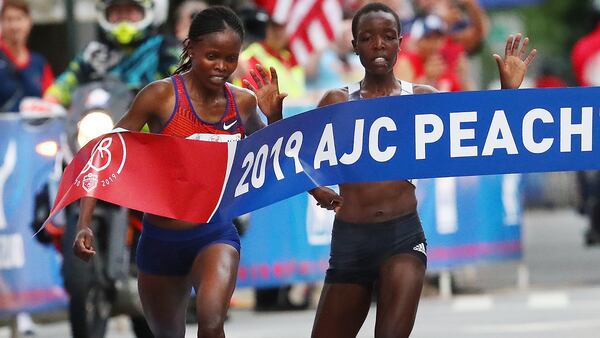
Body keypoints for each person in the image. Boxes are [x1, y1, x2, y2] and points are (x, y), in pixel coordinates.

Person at [308, 3, 536, 337]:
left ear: (401, 41)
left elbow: (478, 136)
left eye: (388, 36)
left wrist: (507, 95)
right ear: (354, 45)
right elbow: (293, 156)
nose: (379, 45)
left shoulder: (421, 98)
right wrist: (317, 190)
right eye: (367, 38)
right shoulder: (336, 102)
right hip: (350, 242)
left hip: (402, 239)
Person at [72, 6, 286, 338]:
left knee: (211, 324)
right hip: (160, 240)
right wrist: (84, 221)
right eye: (212, 56)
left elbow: (275, 154)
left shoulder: (242, 102)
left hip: (215, 234)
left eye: (230, 59)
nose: (221, 67)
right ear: (189, 49)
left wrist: (273, 116)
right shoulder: (160, 96)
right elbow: (106, 153)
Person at [44, 0, 180, 106]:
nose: (123, 17)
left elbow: (184, 82)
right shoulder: (94, 53)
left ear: (146, 11)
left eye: (130, 10)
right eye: (117, 11)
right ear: (106, 14)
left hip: (153, 130)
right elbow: (67, 82)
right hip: (100, 127)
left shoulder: (166, 48)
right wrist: (49, 101)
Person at [0, 0, 54, 112]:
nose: (14, 26)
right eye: (9, 19)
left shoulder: (39, 63)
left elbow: (51, 99)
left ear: (29, 22)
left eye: (19, 19)